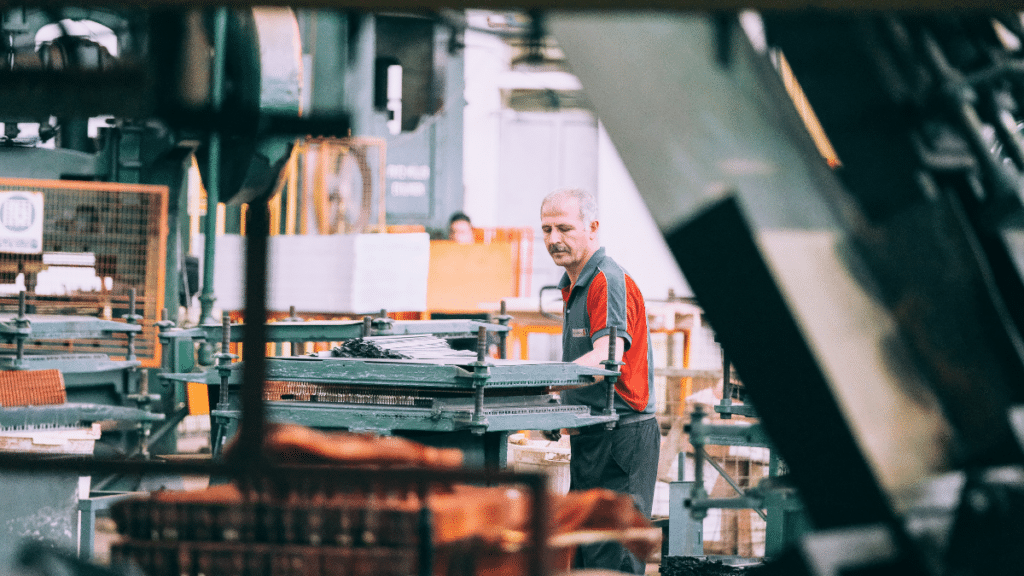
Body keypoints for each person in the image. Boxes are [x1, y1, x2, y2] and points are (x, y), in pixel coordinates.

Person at [540, 187, 658, 575]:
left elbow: (608, 356)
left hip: (622, 439)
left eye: (564, 228)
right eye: (546, 229)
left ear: (592, 228)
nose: (554, 239)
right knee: (589, 554)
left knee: (615, 557)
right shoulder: (573, 285)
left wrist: (545, 384)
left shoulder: (607, 280)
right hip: (594, 434)